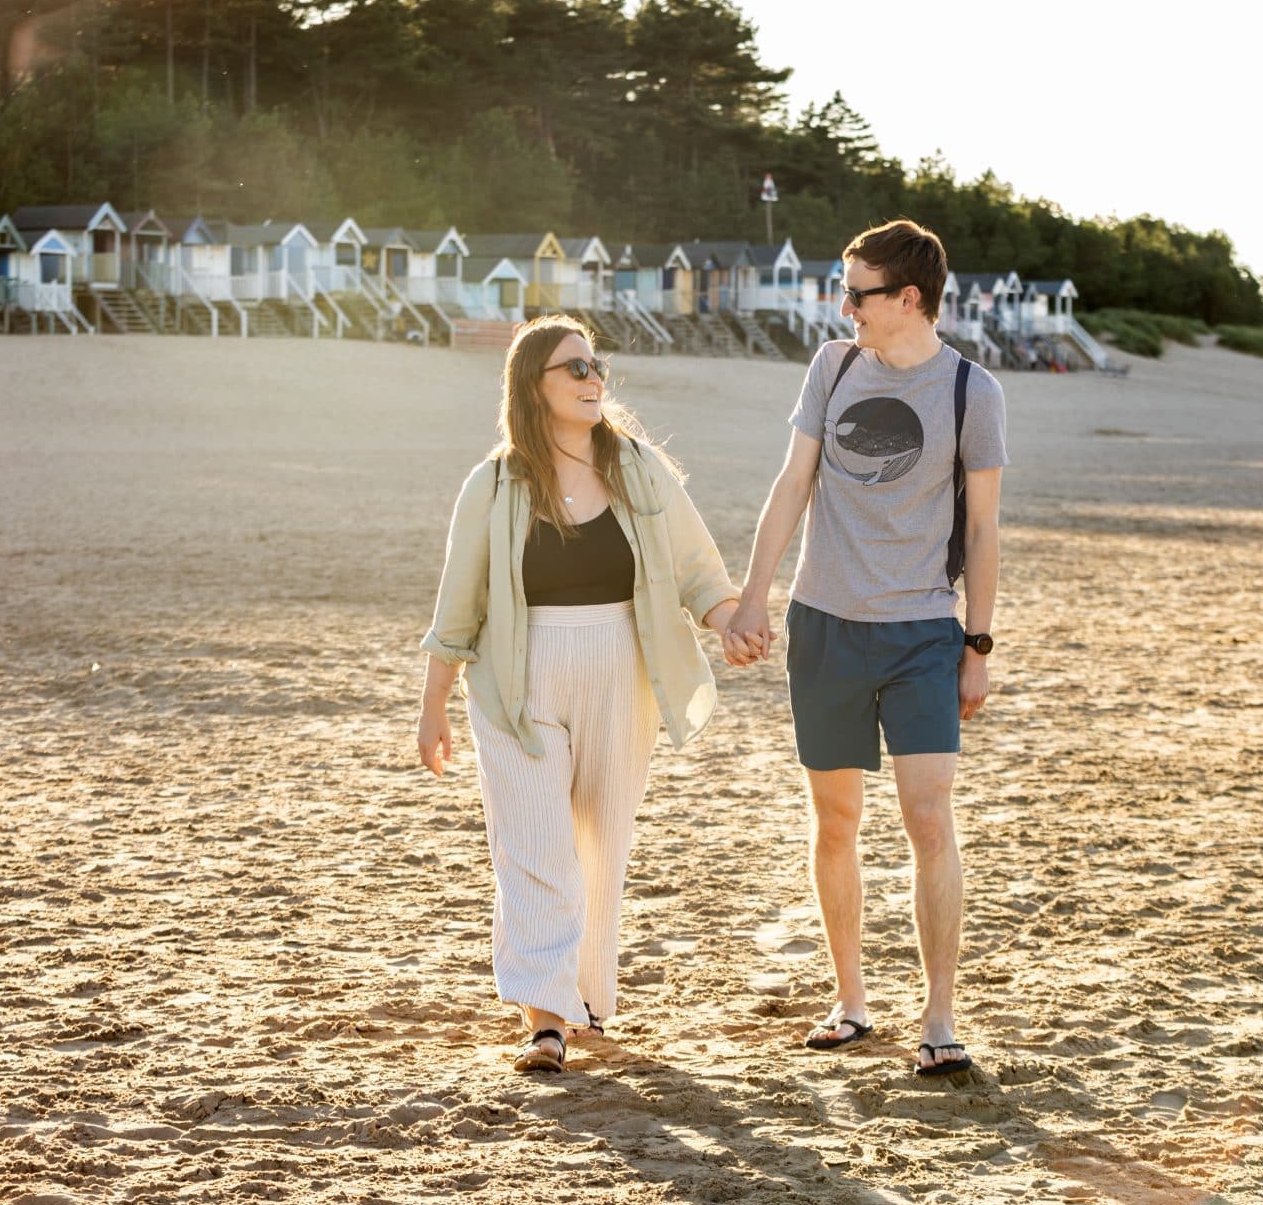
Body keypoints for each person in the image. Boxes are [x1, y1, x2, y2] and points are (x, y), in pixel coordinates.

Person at [417, 316, 754, 1073]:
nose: (592, 377)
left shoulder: (638, 467)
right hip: (517, 673)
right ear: (532, 388)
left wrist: (732, 622)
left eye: (595, 364)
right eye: (573, 368)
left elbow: (697, 566)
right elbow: (457, 604)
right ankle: (545, 1018)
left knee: (602, 841)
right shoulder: (495, 481)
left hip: (619, 665)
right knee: (535, 844)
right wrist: (433, 704)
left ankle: (586, 997)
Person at [726, 219, 1007, 1078]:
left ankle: (940, 1016)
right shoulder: (833, 366)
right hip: (824, 626)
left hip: (923, 632)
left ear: (908, 299)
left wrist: (978, 644)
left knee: (928, 815)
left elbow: (987, 527)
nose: (842, 304)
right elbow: (791, 484)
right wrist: (752, 594)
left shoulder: (971, 392)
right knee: (837, 820)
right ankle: (851, 1002)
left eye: (857, 292)